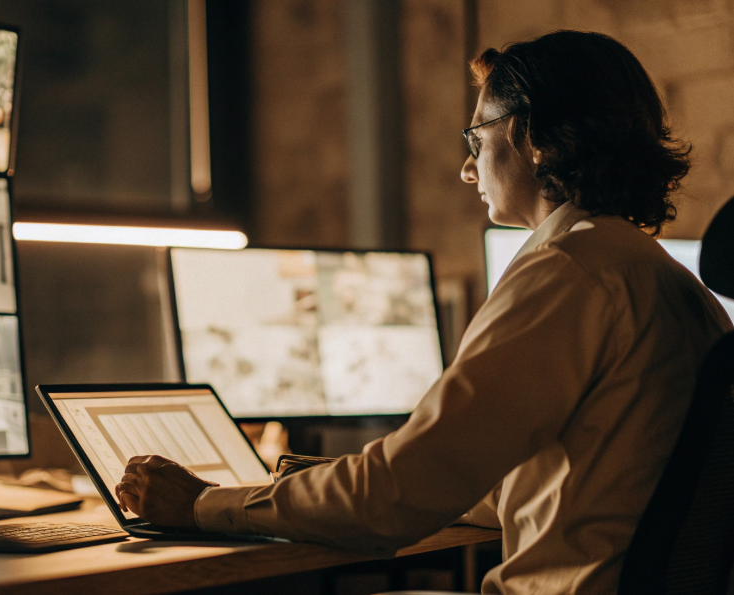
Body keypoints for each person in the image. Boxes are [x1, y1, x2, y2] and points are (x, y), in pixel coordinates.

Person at [115, 30, 734, 594]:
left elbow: (393, 500)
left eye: (476, 138)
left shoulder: (568, 273)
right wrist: (312, 486)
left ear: (533, 138)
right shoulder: (668, 282)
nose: (468, 168)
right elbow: (491, 487)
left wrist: (202, 504)